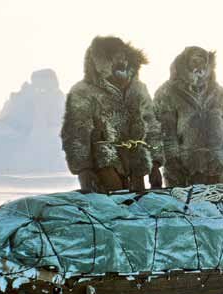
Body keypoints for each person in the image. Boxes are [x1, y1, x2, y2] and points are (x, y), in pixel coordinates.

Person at [61, 36, 163, 193]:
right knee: (111, 208)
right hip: (103, 164)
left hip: (136, 164)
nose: (121, 60)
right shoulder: (83, 91)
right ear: (102, 60)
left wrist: (155, 163)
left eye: (123, 55)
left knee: (135, 211)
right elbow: (76, 133)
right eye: (114, 56)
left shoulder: (138, 89)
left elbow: (152, 126)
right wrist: (83, 170)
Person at [153, 46, 223, 187]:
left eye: (202, 62)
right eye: (194, 61)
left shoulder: (219, 93)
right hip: (182, 171)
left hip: (216, 169)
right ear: (184, 63)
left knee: (216, 206)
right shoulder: (167, 93)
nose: (199, 66)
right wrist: (171, 161)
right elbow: (163, 133)